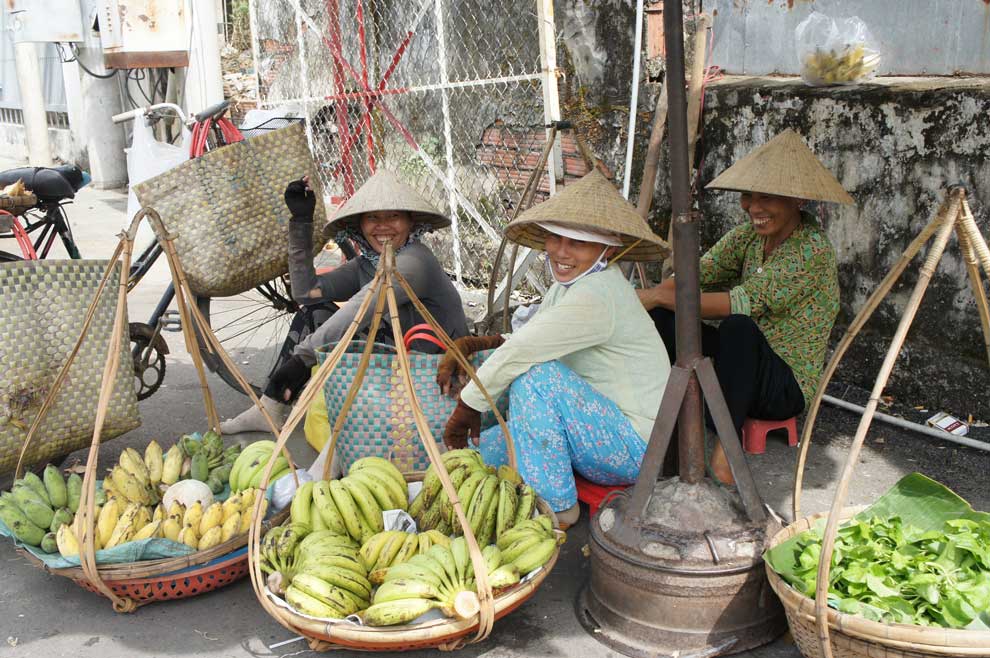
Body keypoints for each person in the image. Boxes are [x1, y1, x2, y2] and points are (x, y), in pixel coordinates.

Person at [437, 169, 671, 526]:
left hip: (634, 447)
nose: (561, 252)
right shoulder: (569, 286)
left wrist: (468, 406)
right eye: (555, 238)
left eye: (577, 243)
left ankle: (558, 509)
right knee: (467, 457)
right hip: (591, 427)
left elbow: (525, 351)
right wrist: (478, 343)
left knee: (536, 378)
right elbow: (531, 336)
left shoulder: (599, 294)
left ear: (607, 250)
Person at [637, 129, 853, 483]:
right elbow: (695, 276)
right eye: (748, 197)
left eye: (766, 197)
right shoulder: (747, 237)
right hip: (738, 371)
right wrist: (651, 297)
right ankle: (669, 416)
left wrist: (658, 295)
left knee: (738, 326)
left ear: (798, 200)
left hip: (783, 386)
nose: (753, 207)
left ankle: (726, 453)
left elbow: (737, 303)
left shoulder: (811, 250)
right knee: (663, 317)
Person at [221, 169, 469, 434]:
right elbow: (307, 293)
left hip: (435, 371)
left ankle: (306, 406)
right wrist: (301, 222)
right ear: (360, 225)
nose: (383, 226)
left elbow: (360, 309)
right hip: (399, 366)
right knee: (314, 313)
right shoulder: (367, 263)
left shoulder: (415, 261)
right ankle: (270, 408)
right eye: (373, 218)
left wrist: (301, 360)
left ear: (411, 222)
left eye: (394, 216)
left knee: (357, 328)